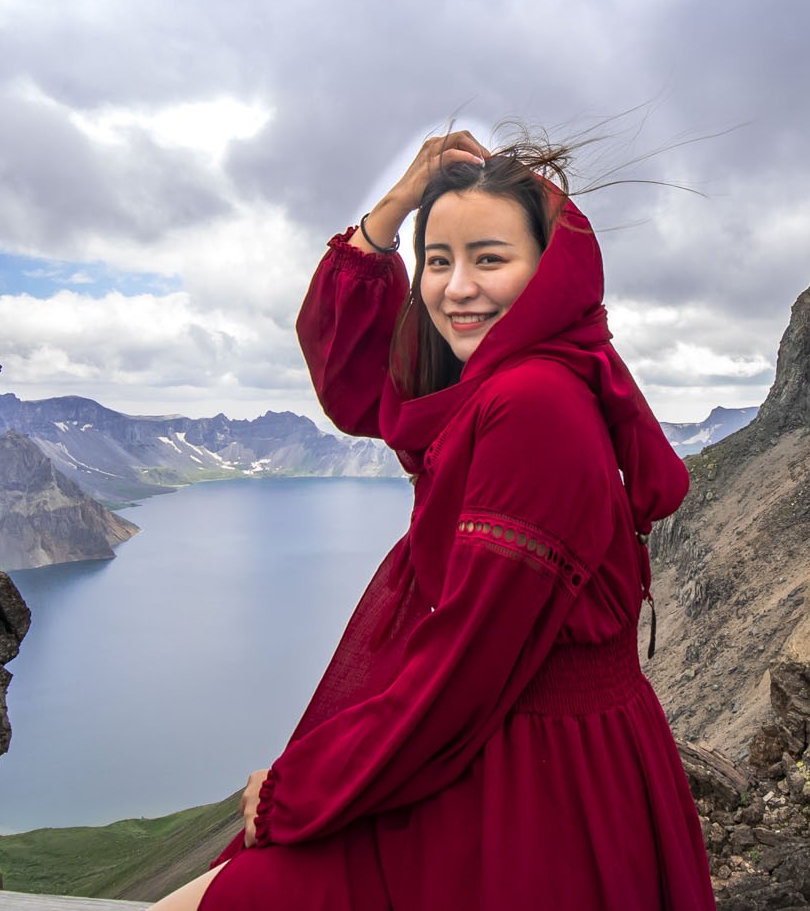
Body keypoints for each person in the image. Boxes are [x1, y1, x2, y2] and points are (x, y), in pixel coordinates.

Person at [154, 130, 715, 910]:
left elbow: (462, 664)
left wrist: (297, 788)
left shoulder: (531, 405)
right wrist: (394, 205)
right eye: (439, 261)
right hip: (522, 751)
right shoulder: (509, 384)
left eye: (489, 258)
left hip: (526, 781)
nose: (456, 288)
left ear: (549, 270)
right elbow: (354, 379)